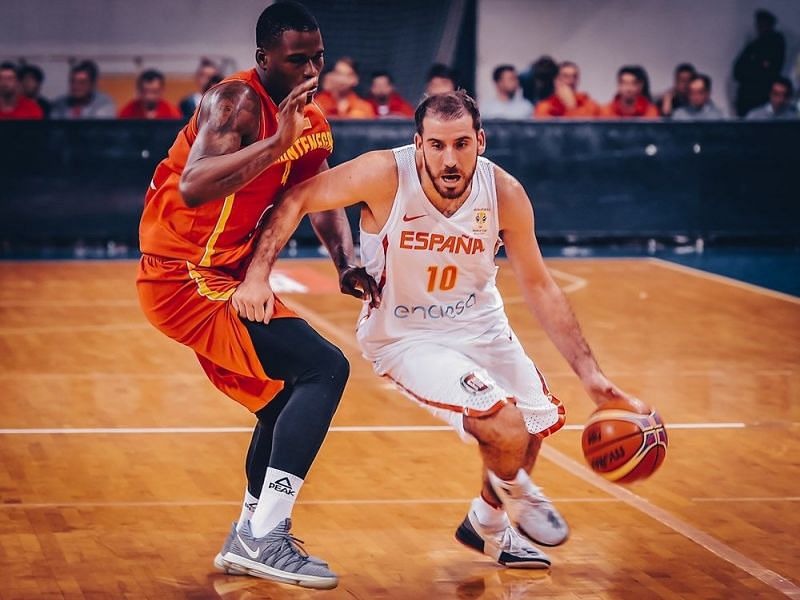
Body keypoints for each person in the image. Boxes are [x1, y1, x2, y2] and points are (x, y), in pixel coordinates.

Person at [234, 91, 639, 570]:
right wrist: (258, 275)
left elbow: (541, 286)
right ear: (418, 144)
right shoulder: (385, 174)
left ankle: (487, 525)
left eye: (462, 144)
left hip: (482, 324)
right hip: (406, 334)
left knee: (532, 424)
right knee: (504, 425)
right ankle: (519, 493)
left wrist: (591, 375)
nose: (450, 159)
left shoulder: (504, 193)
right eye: (438, 145)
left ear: (481, 141)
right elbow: (299, 195)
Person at [136, 1, 378, 590]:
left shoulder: (312, 122)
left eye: (317, 57)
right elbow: (193, 186)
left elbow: (310, 200)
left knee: (281, 398)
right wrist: (276, 143)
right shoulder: (235, 102)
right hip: (180, 272)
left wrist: (346, 262)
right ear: (263, 58)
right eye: (298, 59)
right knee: (324, 368)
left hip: (221, 271)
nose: (311, 70)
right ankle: (266, 536)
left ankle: (250, 532)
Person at [734, 9, 786, 117]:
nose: (760, 27)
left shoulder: (776, 44)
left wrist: (753, 69)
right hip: (747, 97)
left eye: (763, 24)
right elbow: (737, 71)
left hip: (762, 95)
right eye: (759, 24)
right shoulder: (753, 45)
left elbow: (770, 71)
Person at [51, 60, 116, 119]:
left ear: (93, 85)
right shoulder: (59, 104)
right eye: (72, 81)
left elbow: (98, 130)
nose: (75, 86)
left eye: (82, 82)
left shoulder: (103, 104)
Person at [534, 61, 600, 119]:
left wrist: (571, 107)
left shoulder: (588, 104)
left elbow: (585, 129)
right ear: (556, 81)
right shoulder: (545, 107)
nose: (571, 81)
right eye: (565, 76)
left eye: (575, 76)